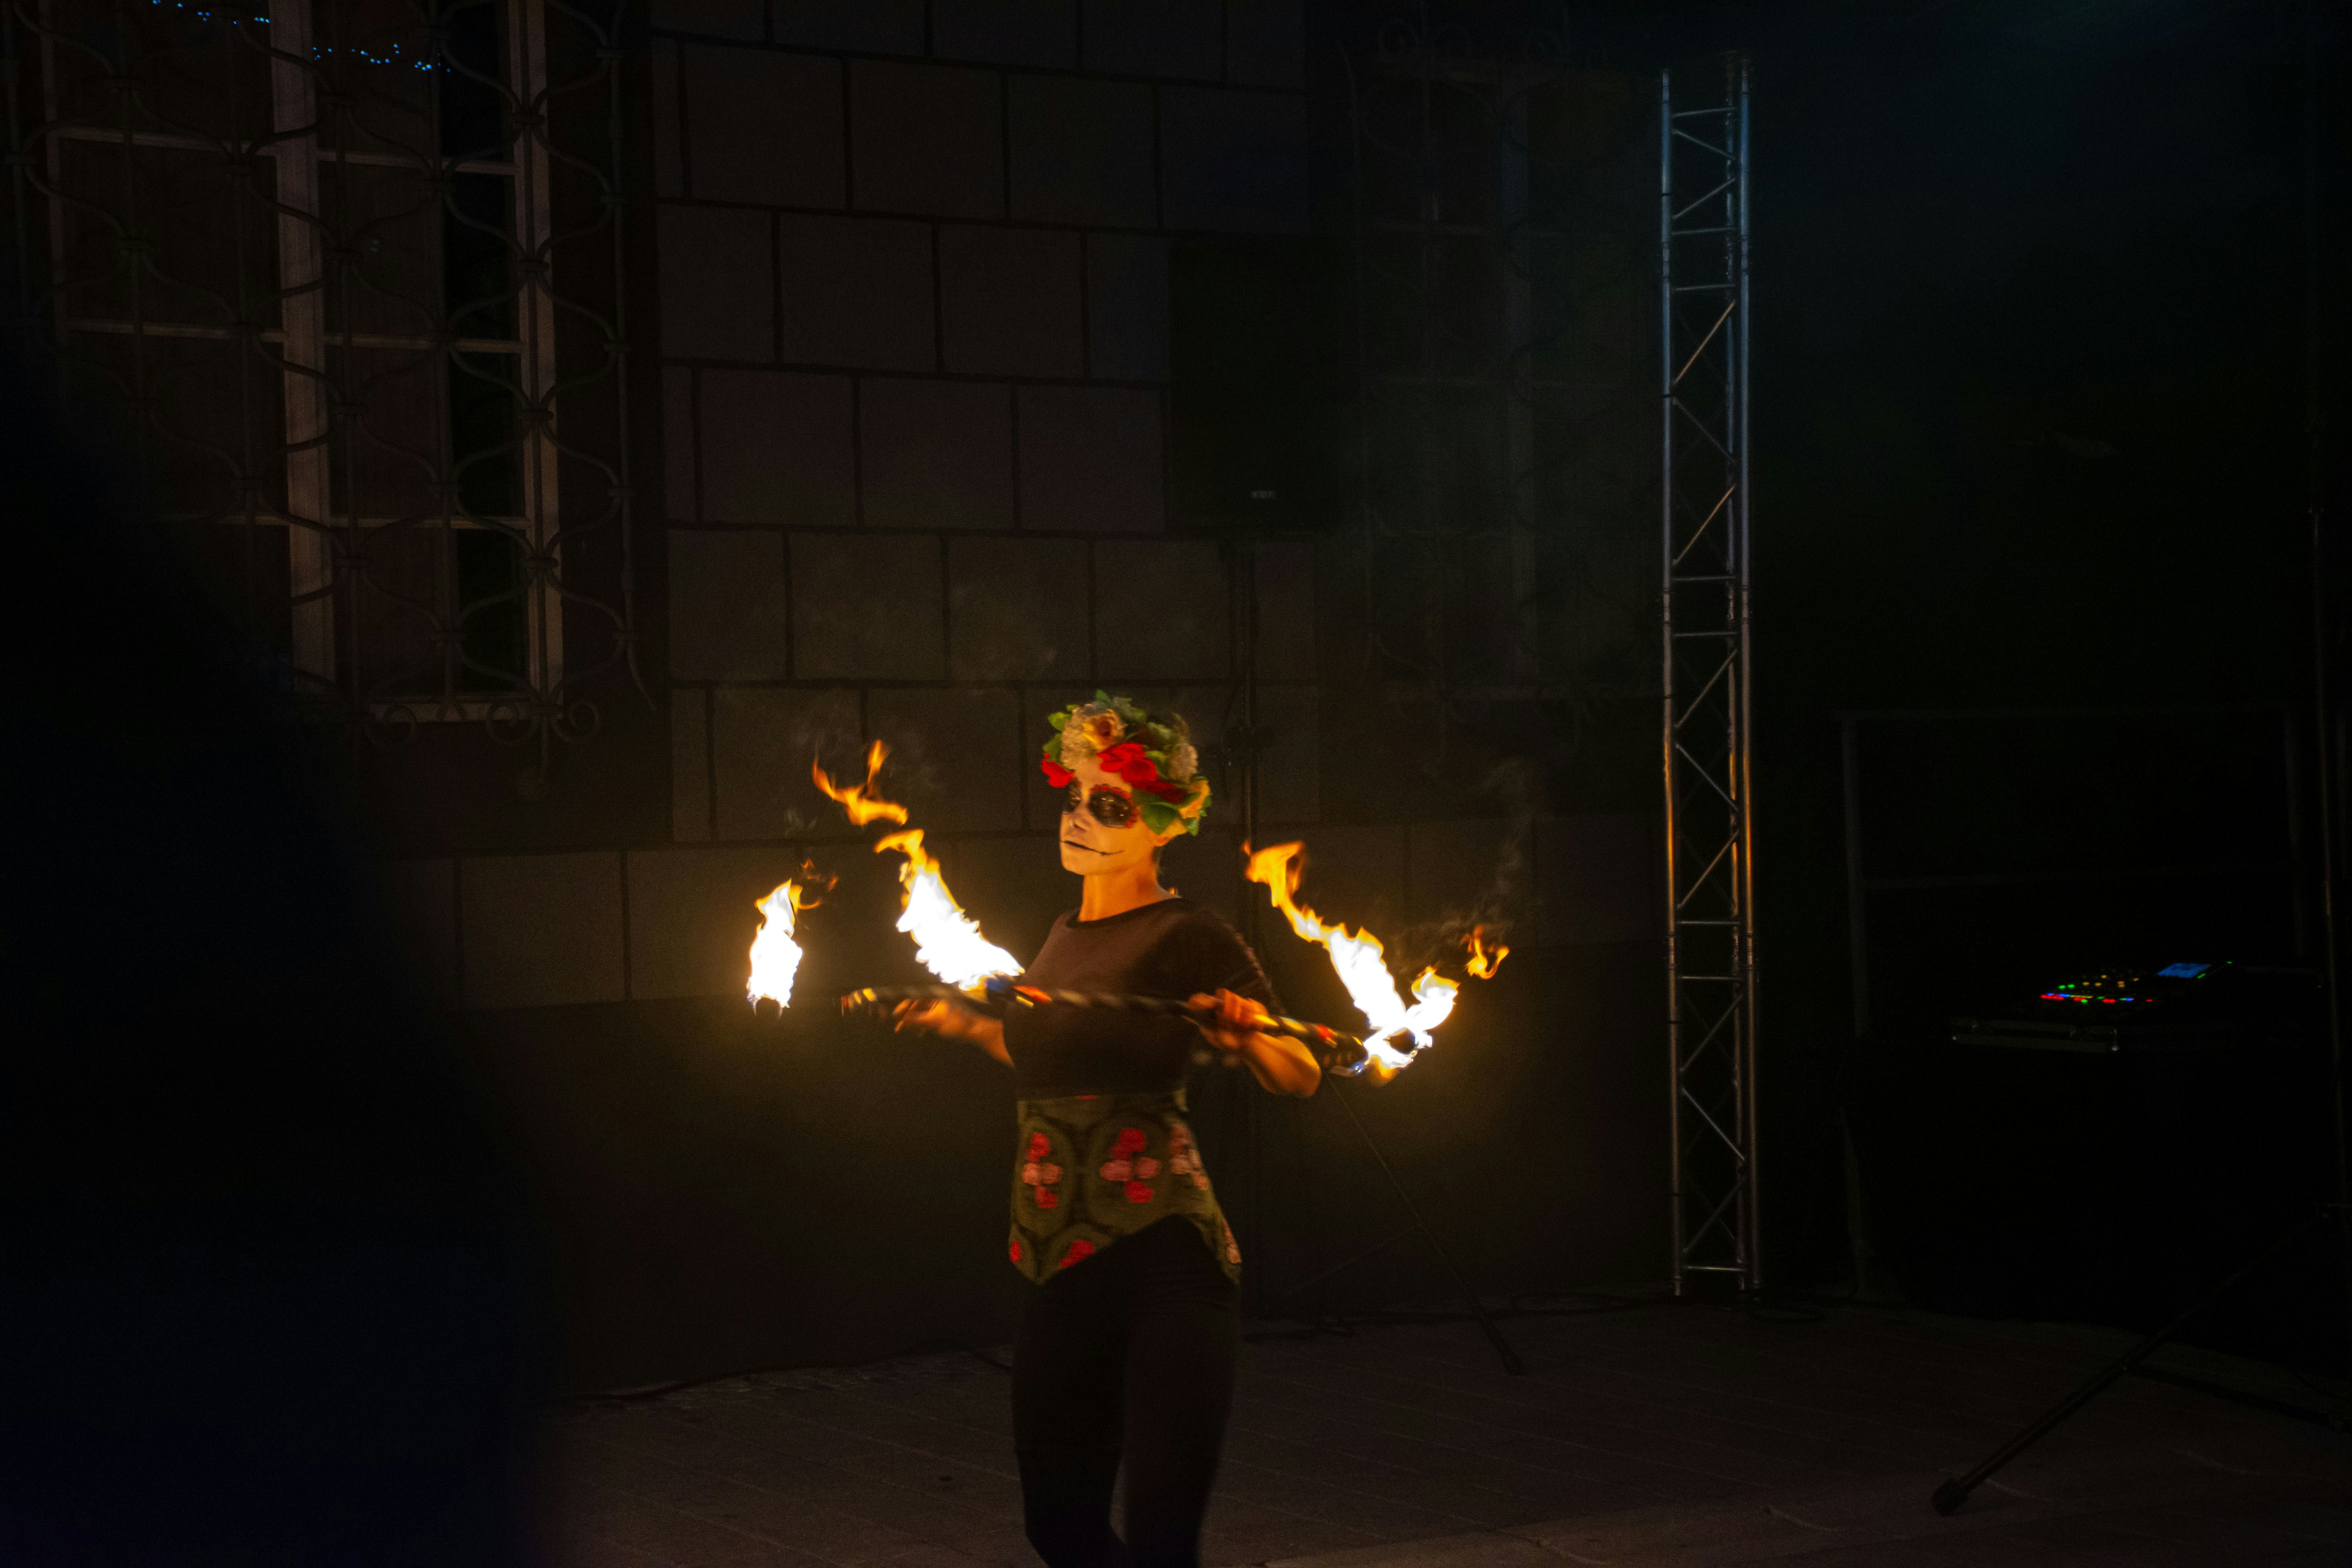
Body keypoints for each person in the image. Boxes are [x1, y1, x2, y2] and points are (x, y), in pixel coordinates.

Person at [894, 693, 1319, 1568]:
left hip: (1167, 1259)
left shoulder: (1189, 930)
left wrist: (1247, 1033)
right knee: (1058, 1523)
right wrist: (967, 1027)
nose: (1082, 817)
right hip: (1059, 1259)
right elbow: (1058, 1063)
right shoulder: (1057, 936)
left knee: (1164, 1539)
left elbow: (1303, 1072)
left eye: (1111, 805)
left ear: (1162, 826)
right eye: (1075, 799)